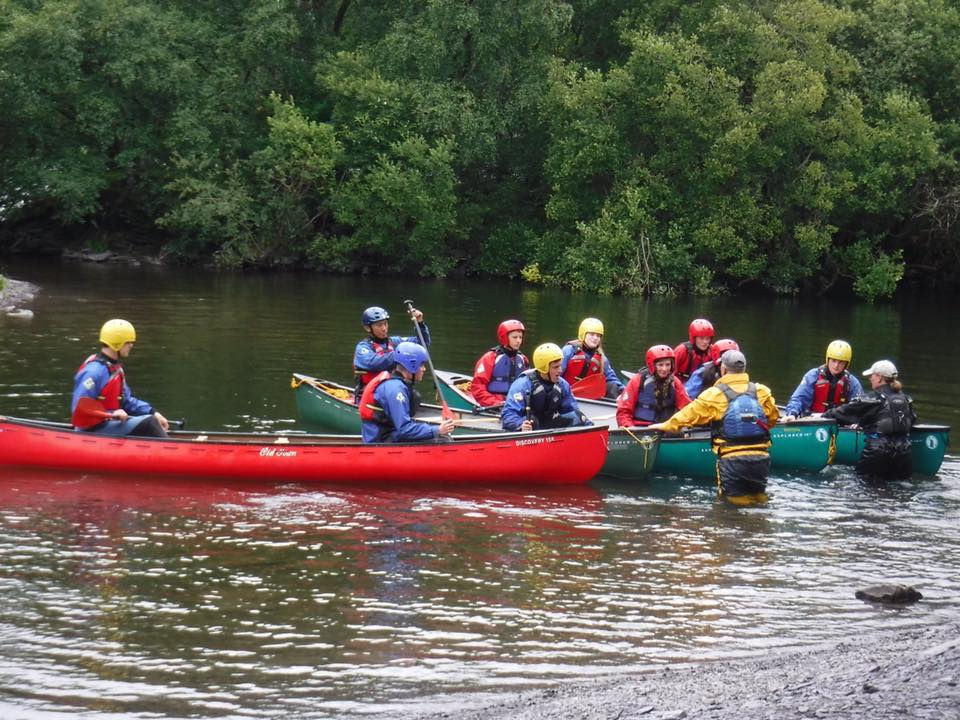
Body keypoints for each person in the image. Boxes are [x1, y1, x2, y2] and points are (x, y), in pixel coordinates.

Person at [648, 350, 779, 504]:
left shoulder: (714, 395)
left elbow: (687, 417)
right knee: (759, 499)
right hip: (762, 459)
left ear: (723, 369)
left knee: (731, 504)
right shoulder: (761, 391)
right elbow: (772, 418)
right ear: (743, 369)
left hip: (732, 460)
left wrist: (663, 425)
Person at [71, 319, 170, 437]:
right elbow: (79, 409)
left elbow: (127, 401)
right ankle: (176, 453)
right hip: (91, 431)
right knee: (149, 423)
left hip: (108, 425)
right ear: (117, 343)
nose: (131, 345)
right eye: (128, 342)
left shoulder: (115, 369)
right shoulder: (93, 372)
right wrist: (111, 414)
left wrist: (153, 412)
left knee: (151, 419)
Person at [822, 359, 915, 481]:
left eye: (872, 375)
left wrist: (823, 416)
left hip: (877, 452)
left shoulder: (873, 398)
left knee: (864, 488)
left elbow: (845, 412)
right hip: (904, 452)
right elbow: (912, 419)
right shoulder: (906, 399)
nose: (870, 378)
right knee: (899, 488)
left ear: (880, 378)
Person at [359, 341, 455, 443]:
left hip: (389, 434)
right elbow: (404, 429)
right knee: (444, 441)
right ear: (411, 365)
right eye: (421, 365)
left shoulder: (396, 383)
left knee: (416, 397)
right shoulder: (395, 389)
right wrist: (437, 430)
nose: (424, 369)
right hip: (381, 441)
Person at [502, 343, 593, 432]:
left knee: (577, 417)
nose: (560, 370)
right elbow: (508, 415)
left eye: (560, 366)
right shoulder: (522, 385)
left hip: (548, 424)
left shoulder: (562, 385)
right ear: (544, 368)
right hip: (529, 428)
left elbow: (572, 410)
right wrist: (520, 424)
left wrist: (589, 426)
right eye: (555, 367)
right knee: (532, 421)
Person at [353, 305, 431, 403]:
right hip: (372, 396)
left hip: (393, 390)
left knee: (415, 397)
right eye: (379, 325)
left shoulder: (395, 342)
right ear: (368, 328)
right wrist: (400, 355)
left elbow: (422, 344)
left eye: (385, 324)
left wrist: (420, 324)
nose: (384, 328)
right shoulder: (363, 347)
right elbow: (372, 363)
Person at [782, 340, 864, 420]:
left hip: (839, 424)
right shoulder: (813, 376)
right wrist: (793, 413)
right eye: (833, 360)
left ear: (846, 363)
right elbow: (798, 398)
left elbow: (859, 407)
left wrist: (857, 420)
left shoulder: (852, 383)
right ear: (827, 359)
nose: (836, 365)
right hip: (812, 420)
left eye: (841, 362)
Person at [616, 344, 691, 427]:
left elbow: (687, 408)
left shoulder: (675, 382)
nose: (664, 369)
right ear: (652, 365)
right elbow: (623, 411)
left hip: (666, 428)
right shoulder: (637, 381)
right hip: (641, 429)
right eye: (660, 365)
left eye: (668, 365)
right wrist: (630, 428)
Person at [469, 319, 529, 407]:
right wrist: (495, 403)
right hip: (495, 404)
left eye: (520, 337)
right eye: (515, 337)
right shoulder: (490, 358)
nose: (518, 341)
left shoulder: (523, 359)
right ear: (504, 337)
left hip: (516, 404)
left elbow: (529, 385)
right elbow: (477, 387)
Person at [560, 317, 624, 399]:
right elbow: (556, 373)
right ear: (583, 334)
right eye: (592, 334)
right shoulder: (569, 351)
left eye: (598, 336)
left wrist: (625, 392)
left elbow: (612, 379)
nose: (595, 338)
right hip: (566, 393)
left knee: (612, 386)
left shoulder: (602, 358)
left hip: (589, 397)